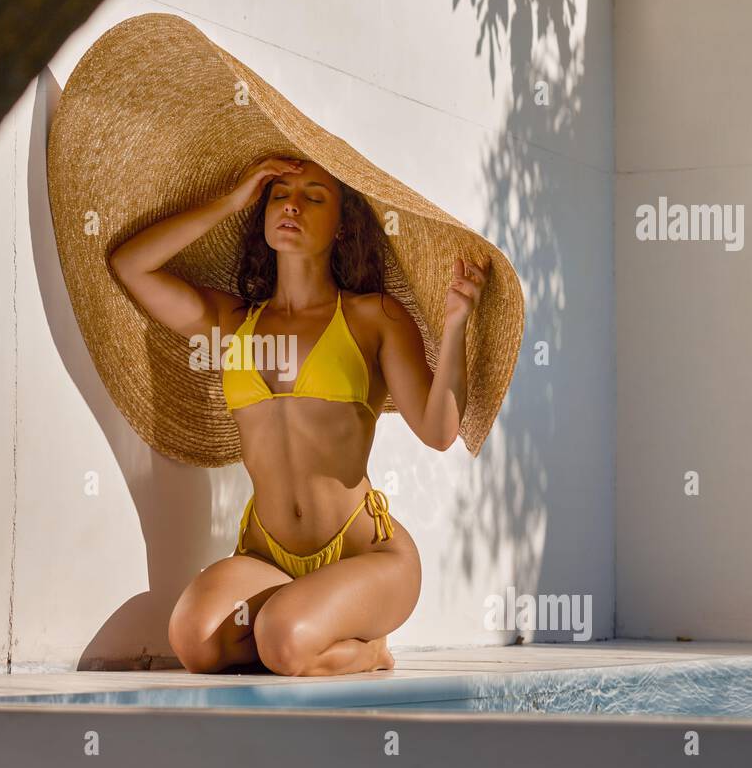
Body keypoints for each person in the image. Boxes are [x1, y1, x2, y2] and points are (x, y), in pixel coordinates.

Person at [108, 155, 487, 677]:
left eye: (314, 196)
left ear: (342, 226)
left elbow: (439, 431)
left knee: (282, 641)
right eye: (278, 193)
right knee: (194, 641)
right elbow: (132, 266)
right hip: (267, 558)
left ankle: (367, 648)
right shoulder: (231, 324)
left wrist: (455, 327)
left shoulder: (373, 316)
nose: (291, 204)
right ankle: (299, 624)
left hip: (368, 557)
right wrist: (230, 200)